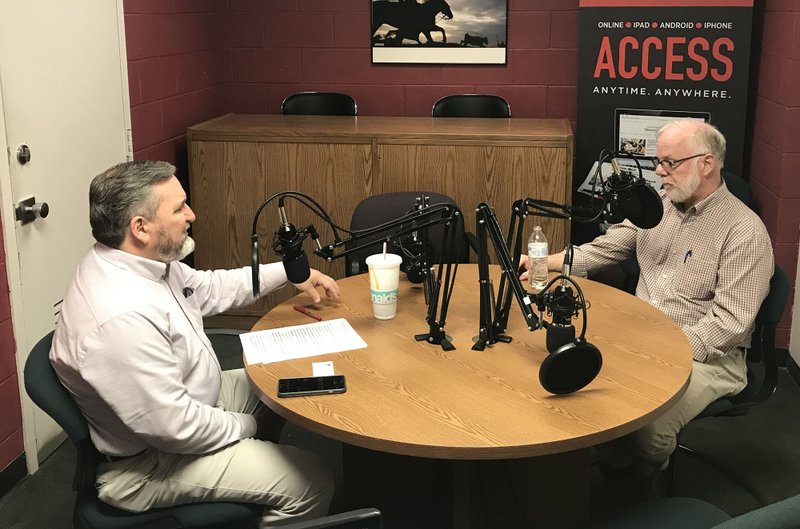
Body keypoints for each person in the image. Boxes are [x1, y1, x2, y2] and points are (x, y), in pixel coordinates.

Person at [50, 160, 340, 527]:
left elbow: (206, 288)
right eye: (178, 208)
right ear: (140, 227)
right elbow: (176, 429)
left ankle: (253, 472)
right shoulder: (119, 317)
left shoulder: (139, 260)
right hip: (152, 462)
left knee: (284, 378)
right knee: (312, 481)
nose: (192, 214)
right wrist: (243, 426)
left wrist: (288, 273)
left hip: (189, 406)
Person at [522, 119, 774, 479]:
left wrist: (660, 352)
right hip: (643, 336)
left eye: (670, 162)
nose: (658, 171)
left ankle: (644, 470)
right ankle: (611, 461)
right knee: (576, 383)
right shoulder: (660, 207)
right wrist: (546, 262)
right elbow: (605, 249)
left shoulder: (744, 232)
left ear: (706, 163)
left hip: (707, 357)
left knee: (646, 430)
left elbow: (729, 325)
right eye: (659, 161)